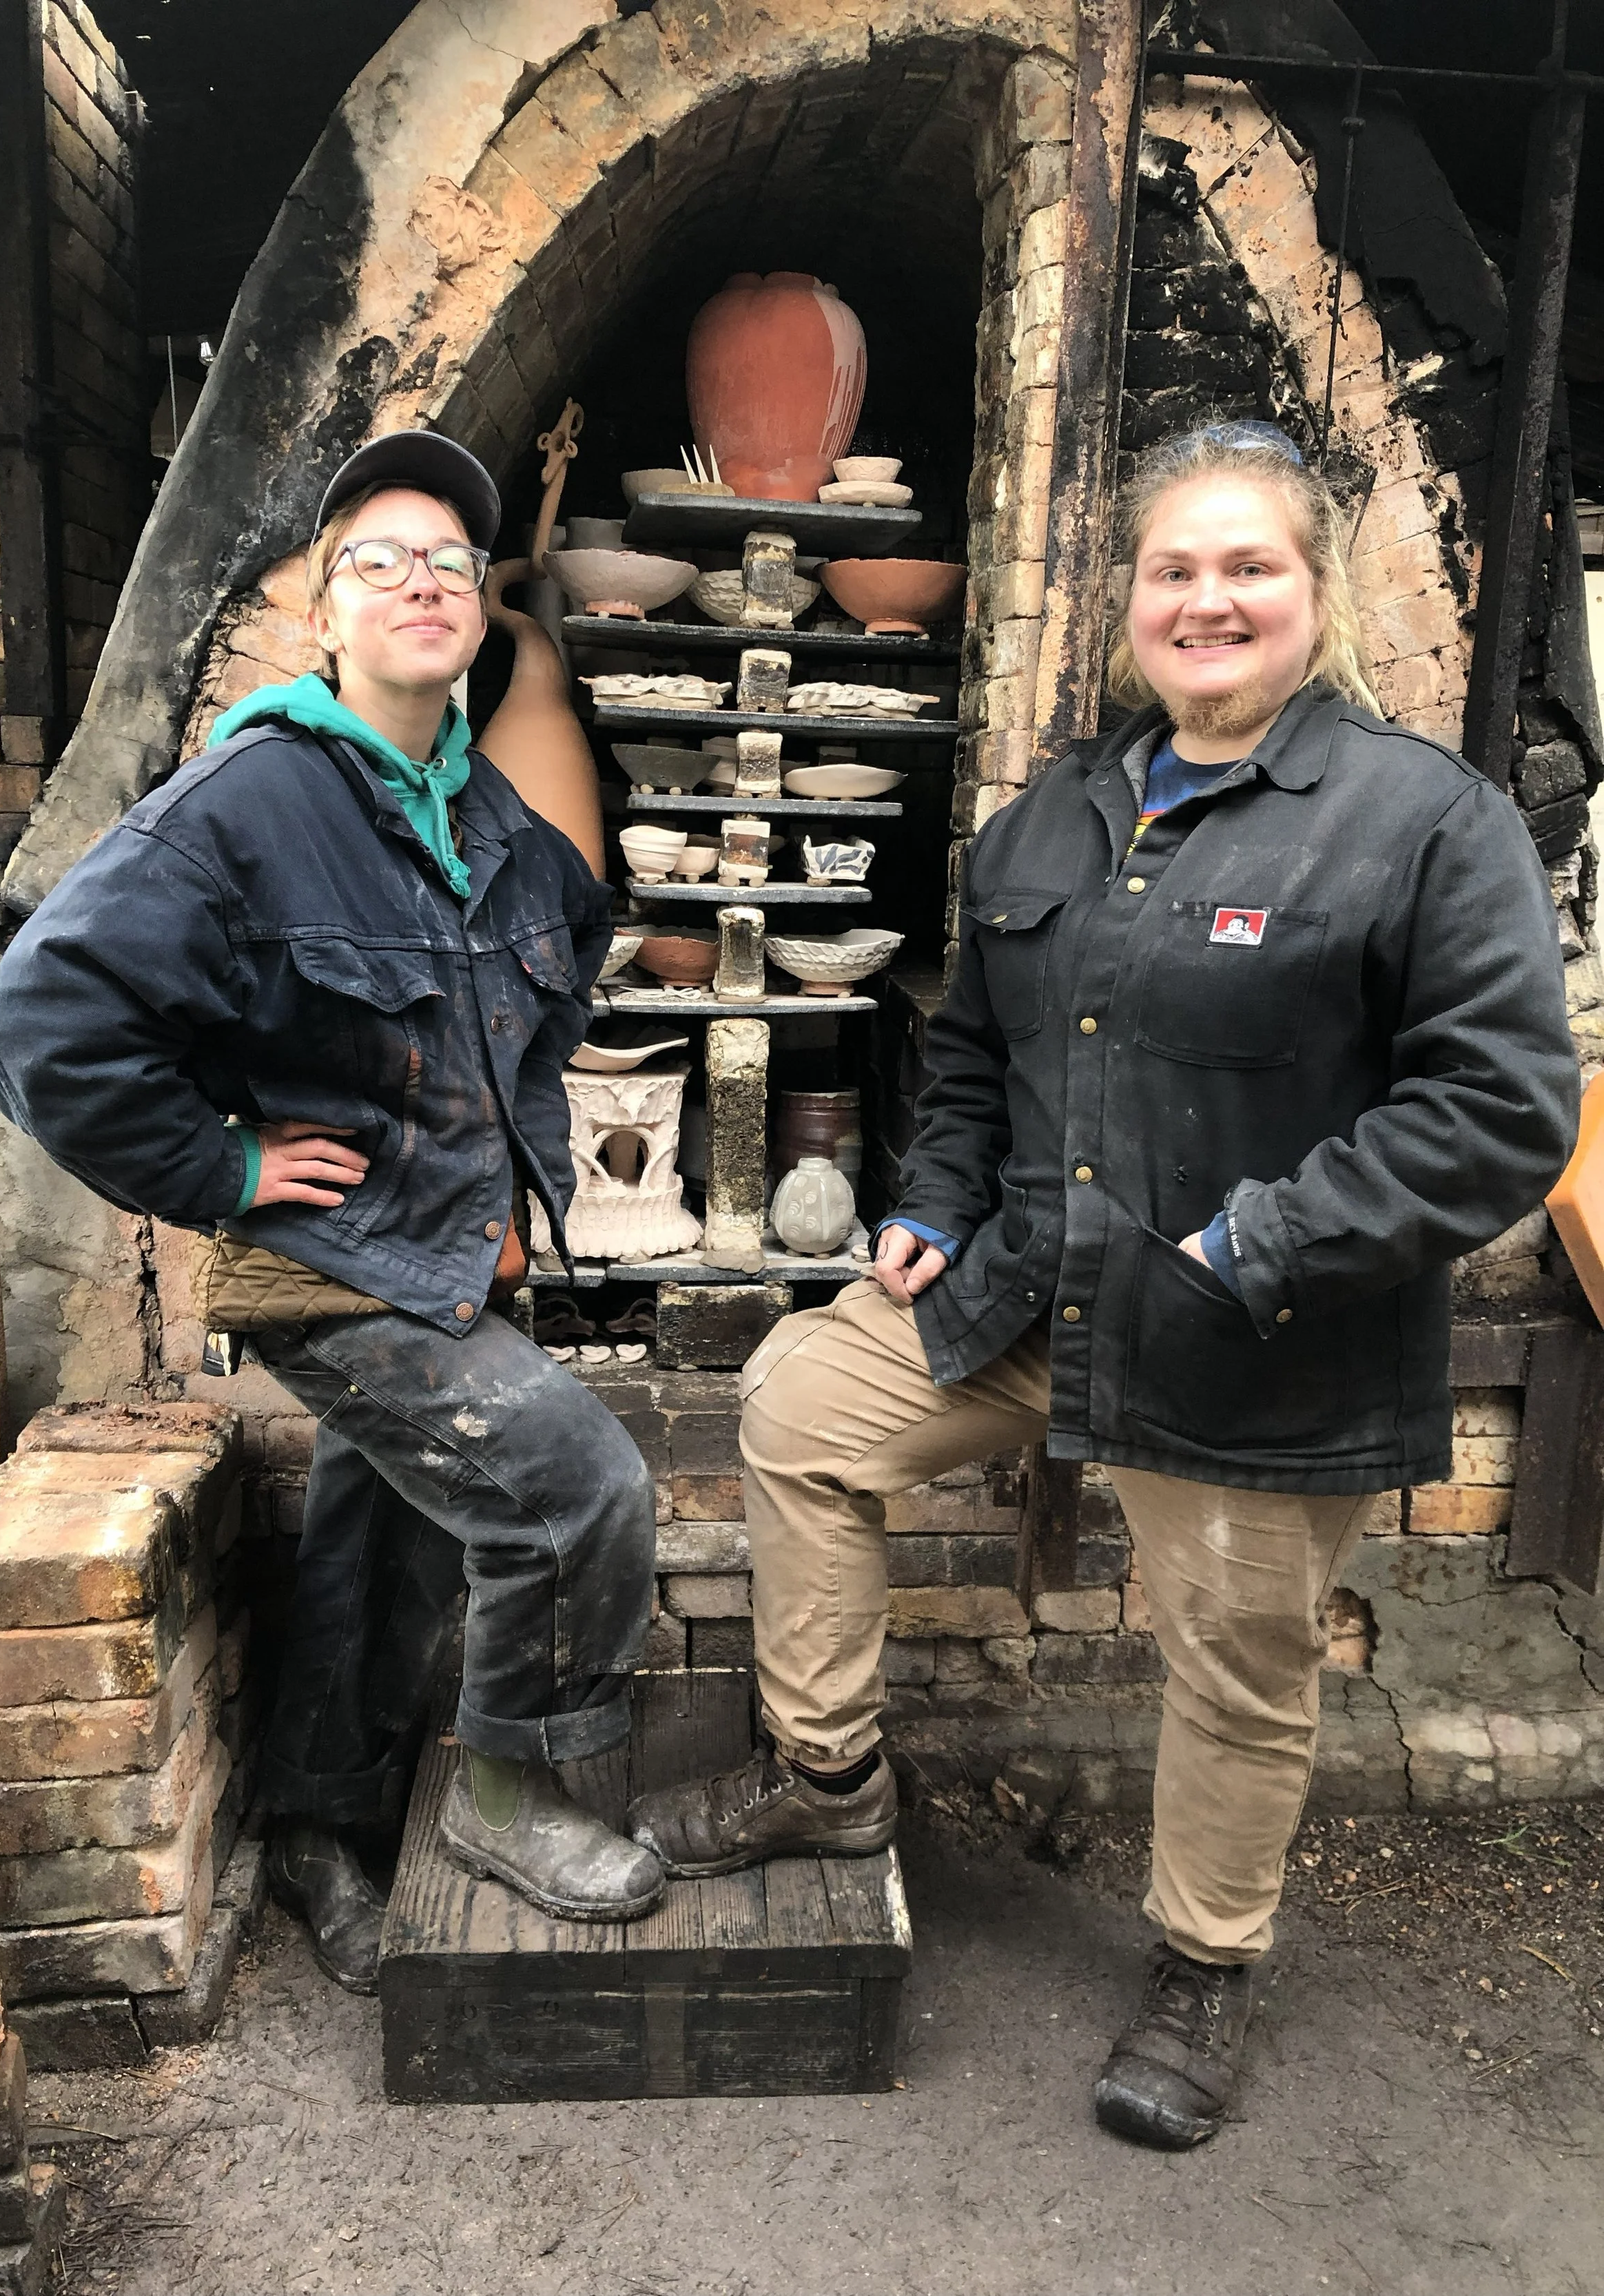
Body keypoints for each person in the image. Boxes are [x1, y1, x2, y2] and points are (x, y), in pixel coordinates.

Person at [628, 422, 1581, 2145]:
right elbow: (974, 1047)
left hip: (1248, 1327)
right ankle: (828, 1777)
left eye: (1247, 566)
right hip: (1027, 1285)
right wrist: (931, 1198)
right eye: (1172, 569)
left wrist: (1261, 1241)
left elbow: (1499, 1110)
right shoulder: (1053, 813)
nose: (1206, 600)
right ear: (1128, 602)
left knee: (1234, 1661)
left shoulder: (1419, 822)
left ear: (1312, 592)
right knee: (798, 1403)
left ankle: (1205, 1961)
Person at [0, 430, 664, 1996]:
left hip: (440, 1255)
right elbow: (42, 1020)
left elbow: (557, 965)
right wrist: (221, 1169)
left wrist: (515, 1174)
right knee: (577, 1491)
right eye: (381, 559)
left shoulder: (486, 813)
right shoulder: (249, 799)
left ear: (479, 610)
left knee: (389, 1542)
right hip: (331, 1267)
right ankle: (508, 1793)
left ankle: (314, 1823)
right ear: (323, 613)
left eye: (452, 562)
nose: (424, 582)